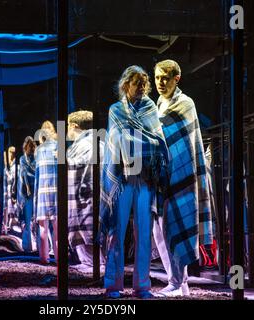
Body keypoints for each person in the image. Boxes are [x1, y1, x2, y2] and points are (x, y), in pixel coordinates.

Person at [100, 65, 169, 299]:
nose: (140, 88)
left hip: (146, 176)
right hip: (123, 177)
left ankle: (142, 285)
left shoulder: (150, 108)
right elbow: (116, 141)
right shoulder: (116, 110)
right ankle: (113, 285)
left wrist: (139, 144)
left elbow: (157, 140)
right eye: (136, 83)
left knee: (144, 232)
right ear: (125, 84)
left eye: (143, 83)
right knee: (117, 231)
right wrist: (136, 145)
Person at [152, 59, 214, 297]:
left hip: (181, 174)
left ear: (176, 79)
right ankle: (177, 281)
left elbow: (181, 140)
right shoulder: (158, 103)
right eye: (157, 77)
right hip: (163, 175)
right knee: (161, 230)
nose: (161, 82)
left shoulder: (185, 103)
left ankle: (177, 283)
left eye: (165, 78)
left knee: (178, 224)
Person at [67, 110, 105, 271]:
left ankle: (95, 264)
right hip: (98, 197)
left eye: (68, 126)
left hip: (85, 198)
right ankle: (94, 262)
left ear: (74, 126)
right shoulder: (100, 142)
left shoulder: (83, 145)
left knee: (87, 230)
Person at [34, 121, 59, 264]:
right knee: (57, 228)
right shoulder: (58, 147)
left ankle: (44, 258)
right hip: (56, 190)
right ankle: (58, 258)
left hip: (42, 190)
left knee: (43, 227)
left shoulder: (38, 150)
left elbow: (37, 176)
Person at [17, 136, 37, 252]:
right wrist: (28, 188)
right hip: (27, 193)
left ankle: (41, 246)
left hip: (35, 190)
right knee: (28, 219)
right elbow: (24, 174)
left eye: (32, 147)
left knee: (37, 220)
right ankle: (27, 246)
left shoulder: (35, 158)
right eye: (29, 147)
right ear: (25, 147)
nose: (31, 149)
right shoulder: (23, 159)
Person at [3, 145, 17, 234]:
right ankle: (6, 227)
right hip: (7, 191)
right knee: (6, 209)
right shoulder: (11, 166)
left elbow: (12, 179)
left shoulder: (14, 166)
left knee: (8, 210)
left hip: (10, 191)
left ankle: (7, 227)